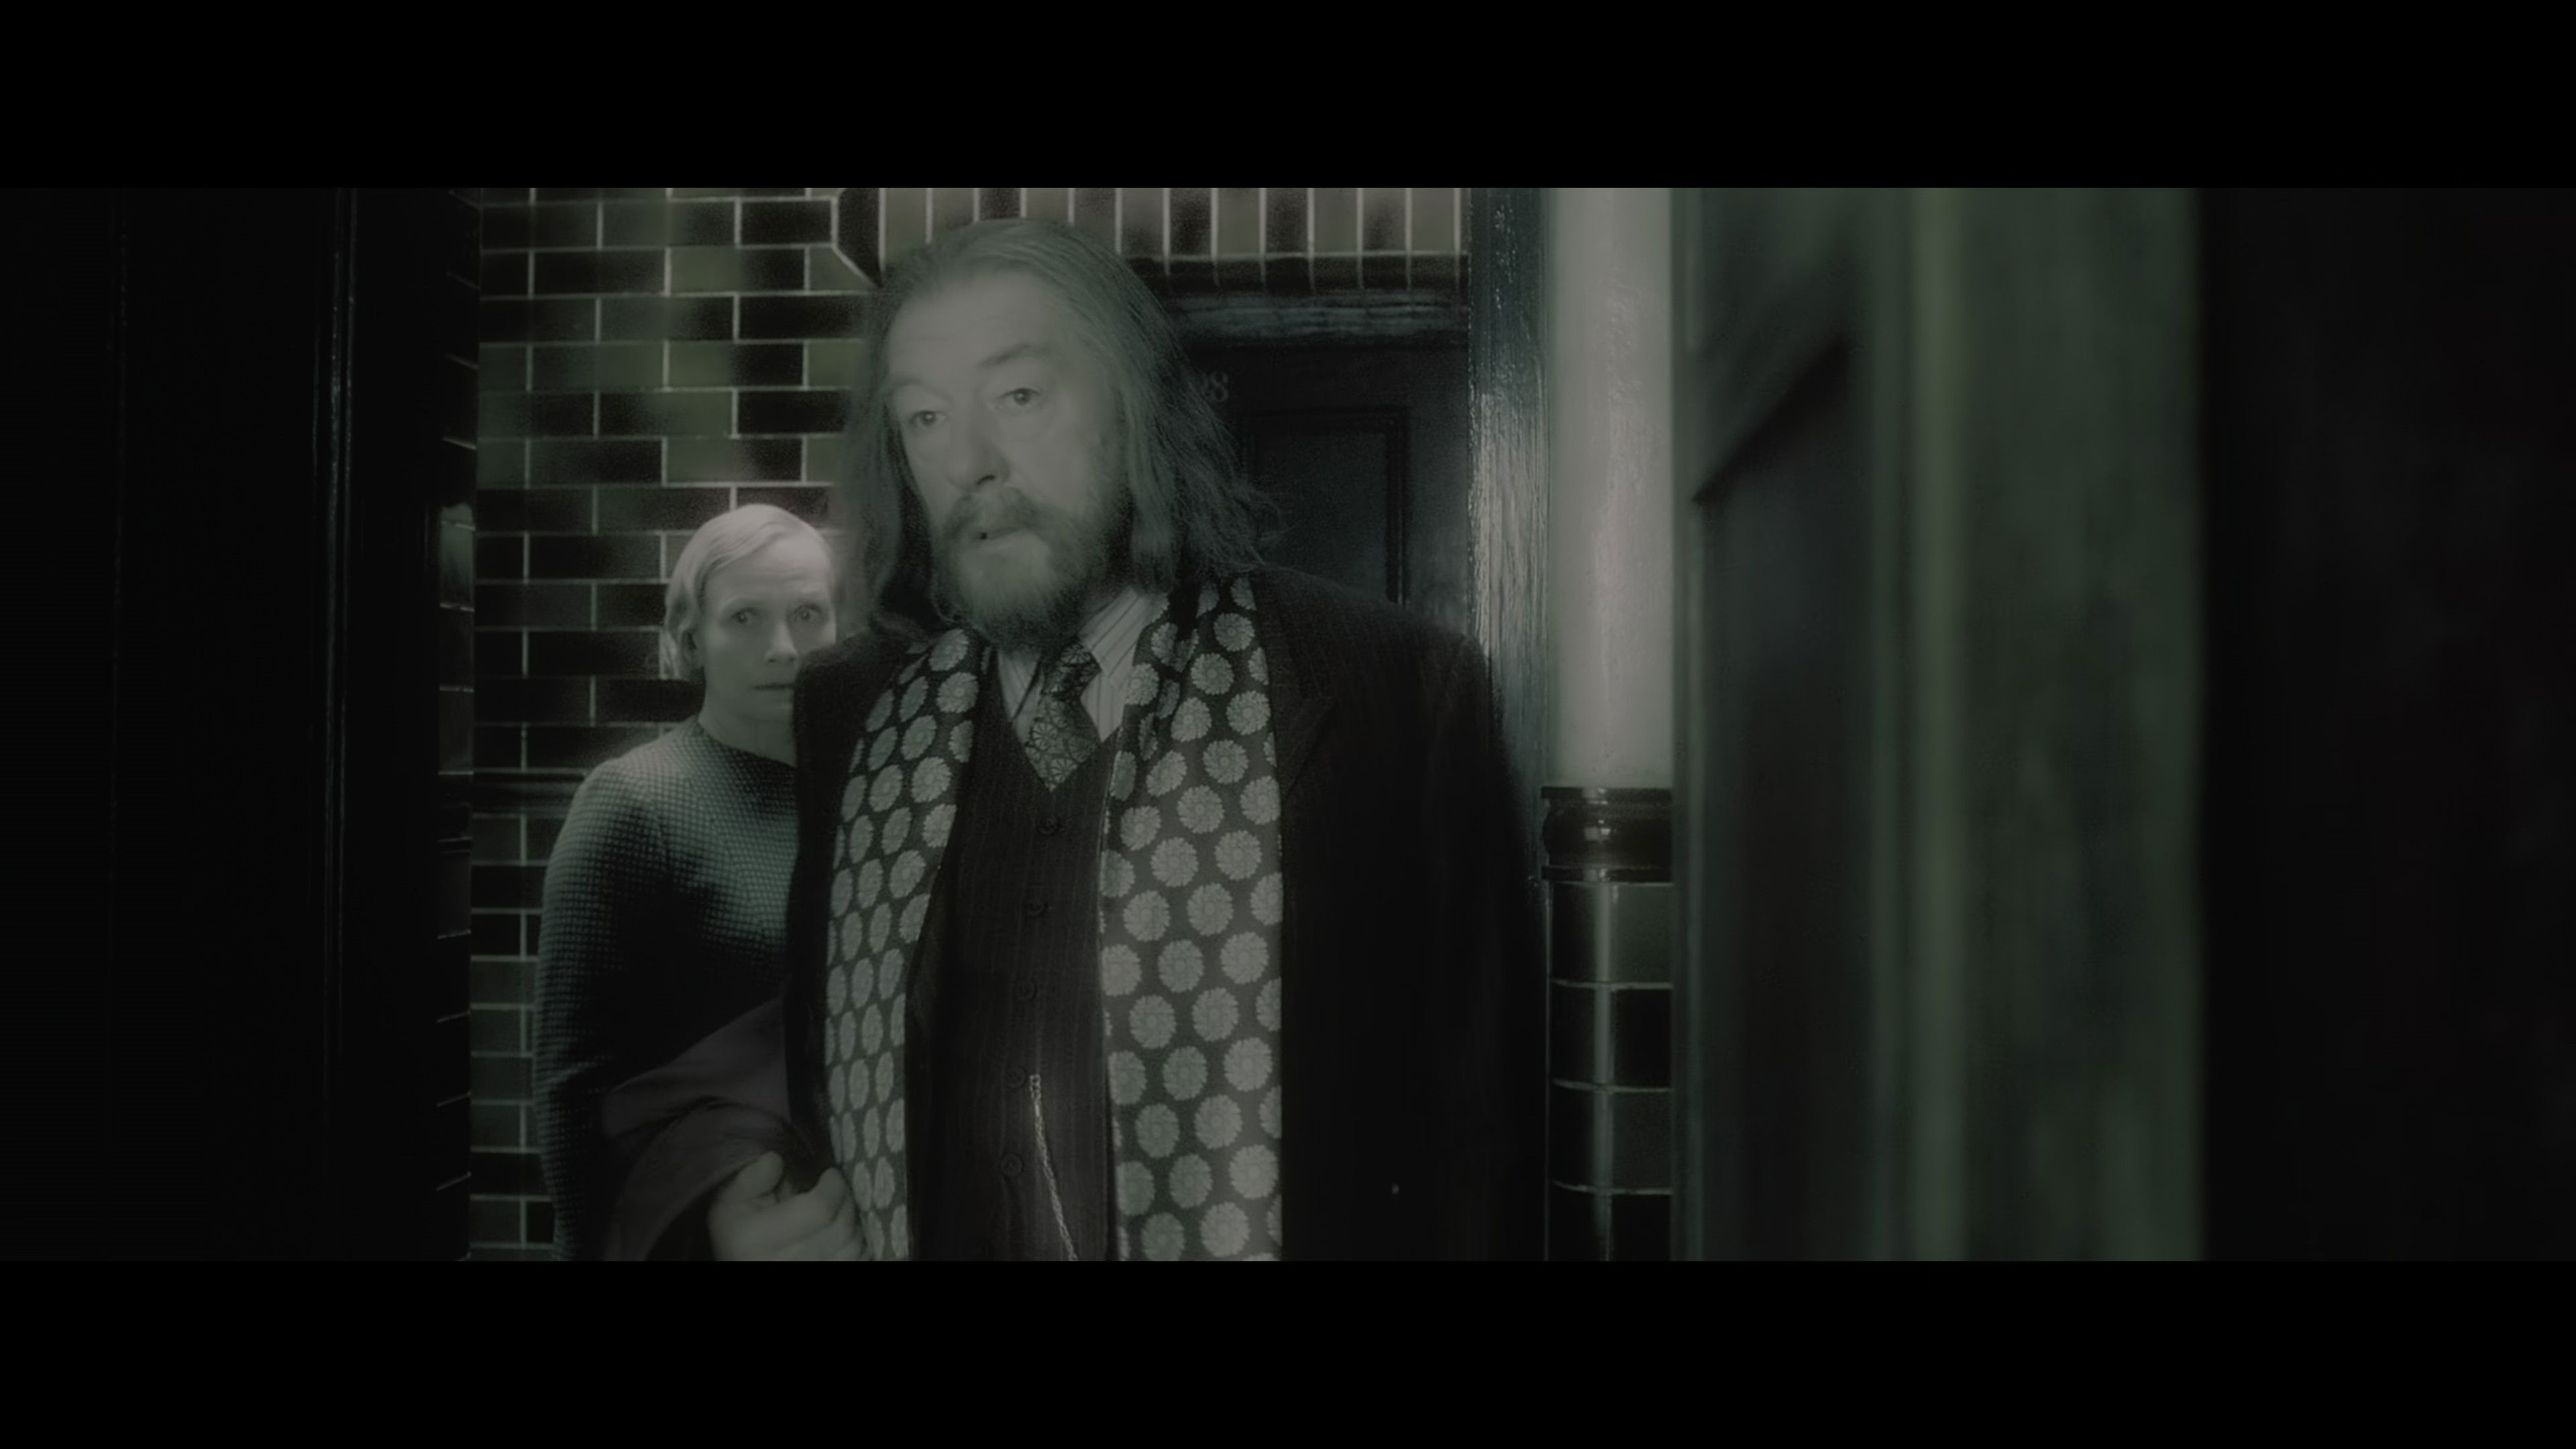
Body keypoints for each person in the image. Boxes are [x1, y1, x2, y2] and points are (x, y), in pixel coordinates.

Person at [756, 217, 1543, 1260]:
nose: (970, 463)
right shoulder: (853, 712)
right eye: (926, 419)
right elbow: (812, 1075)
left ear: (1135, 405)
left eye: (1019, 396)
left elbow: (1480, 1141)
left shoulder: (1395, 688)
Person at [533, 503, 859, 1260]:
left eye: (808, 614)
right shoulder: (637, 802)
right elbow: (575, 1090)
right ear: (690, 642)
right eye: (745, 618)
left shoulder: (872, 795)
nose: (784, 648)